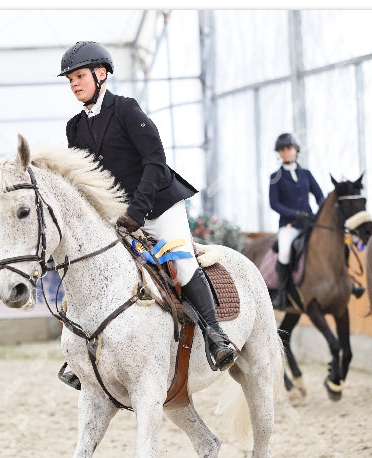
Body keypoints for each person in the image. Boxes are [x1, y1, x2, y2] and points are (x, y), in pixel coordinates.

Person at [56, 41, 235, 389]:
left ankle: (216, 336)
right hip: (115, 213)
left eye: (79, 76)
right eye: (70, 79)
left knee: (181, 264)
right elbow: (82, 181)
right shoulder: (73, 128)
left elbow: (155, 161)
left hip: (156, 204)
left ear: (101, 74)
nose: (74, 83)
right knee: (90, 269)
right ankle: (78, 355)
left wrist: (138, 212)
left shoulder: (127, 110)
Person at [268, 132, 324, 309]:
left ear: (296, 150)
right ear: (279, 153)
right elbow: (274, 204)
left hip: (309, 222)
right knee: (284, 252)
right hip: (289, 225)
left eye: (289, 148)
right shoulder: (275, 177)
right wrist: (295, 214)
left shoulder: (306, 173)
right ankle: (282, 294)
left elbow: (319, 195)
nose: (286, 152)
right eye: (282, 149)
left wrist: (321, 211)